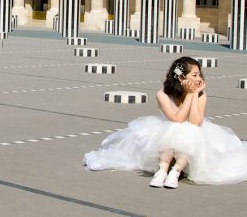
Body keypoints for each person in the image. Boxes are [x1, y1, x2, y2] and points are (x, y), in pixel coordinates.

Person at [83, 56, 247, 188]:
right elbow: (177, 119)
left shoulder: (201, 94)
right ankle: (162, 170)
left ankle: (175, 171)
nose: (199, 79)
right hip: (165, 133)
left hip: (192, 135)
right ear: (181, 77)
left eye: (200, 74)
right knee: (175, 127)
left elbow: (196, 121)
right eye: (194, 75)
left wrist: (192, 95)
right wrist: (190, 94)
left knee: (191, 130)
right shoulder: (163, 94)